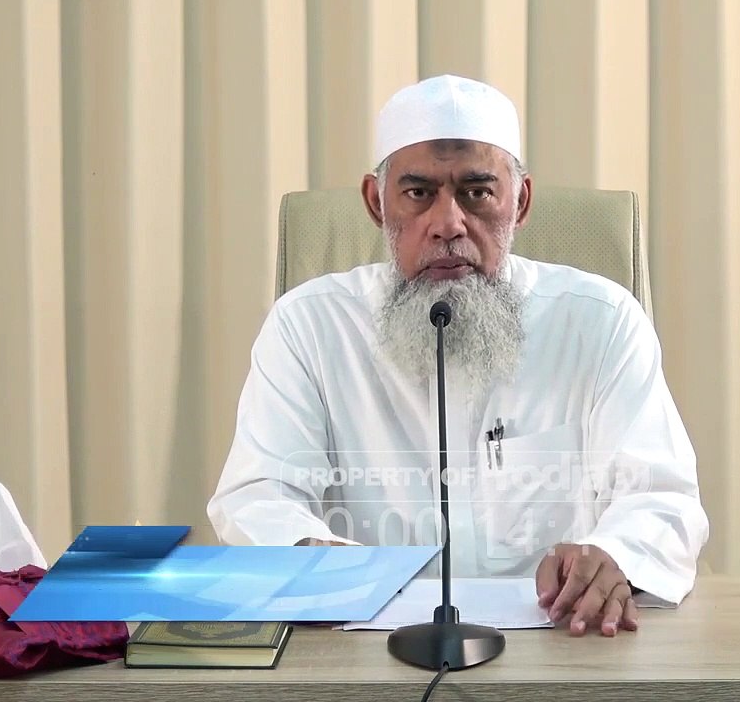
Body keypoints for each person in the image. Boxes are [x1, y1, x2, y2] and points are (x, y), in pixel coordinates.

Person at [207, 74, 708, 637]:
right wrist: (304, 549)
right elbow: (257, 495)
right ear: (376, 203)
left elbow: (662, 499)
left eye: (477, 192)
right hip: (362, 648)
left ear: (520, 202)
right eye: (418, 193)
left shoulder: (600, 321)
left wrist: (615, 555)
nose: (447, 224)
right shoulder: (309, 326)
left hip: (559, 647)